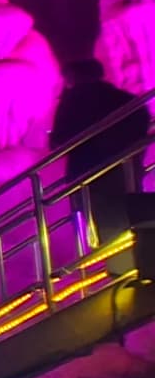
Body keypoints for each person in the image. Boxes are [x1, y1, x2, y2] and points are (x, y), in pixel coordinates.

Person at [50, 59, 150, 273]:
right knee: (129, 216)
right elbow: (142, 118)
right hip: (124, 171)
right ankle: (141, 263)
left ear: (74, 77)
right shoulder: (120, 98)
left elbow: (58, 139)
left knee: (105, 224)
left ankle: (122, 270)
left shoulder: (74, 101)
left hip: (89, 173)